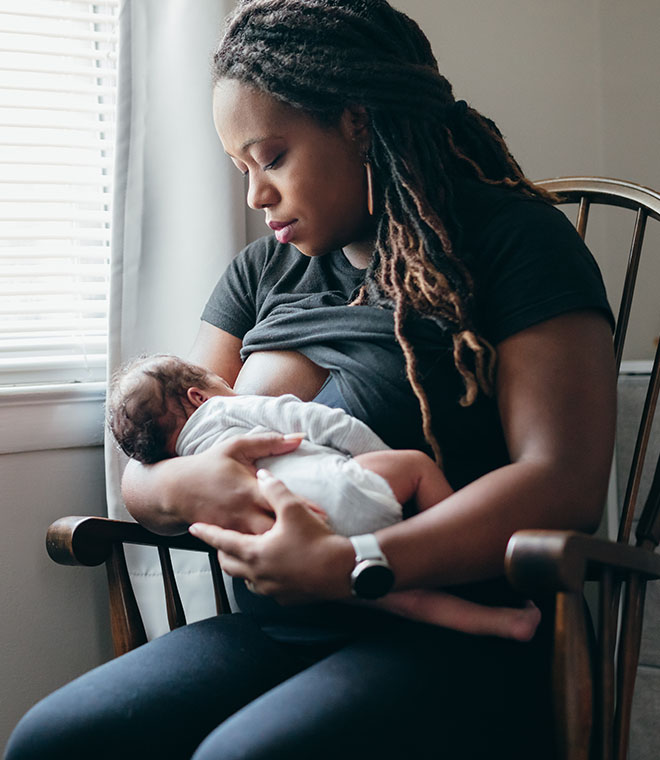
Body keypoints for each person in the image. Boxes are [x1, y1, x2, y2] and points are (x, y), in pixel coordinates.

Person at [6, 1, 617, 759]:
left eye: (272, 158)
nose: (256, 195)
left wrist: (357, 564)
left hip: (459, 624)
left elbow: (562, 483)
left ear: (359, 122)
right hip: (280, 620)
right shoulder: (262, 272)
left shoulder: (515, 243)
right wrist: (184, 488)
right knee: (52, 741)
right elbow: (151, 468)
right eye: (240, 170)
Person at [107, 352, 542, 640]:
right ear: (198, 396)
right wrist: (372, 463)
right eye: (220, 379)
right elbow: (326, 422)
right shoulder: (227, 408)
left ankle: (502, 623)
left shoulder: (187, 462)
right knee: (416, 467)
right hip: (344, 491)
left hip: (300, 553)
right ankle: (469, 572)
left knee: (405, 599)